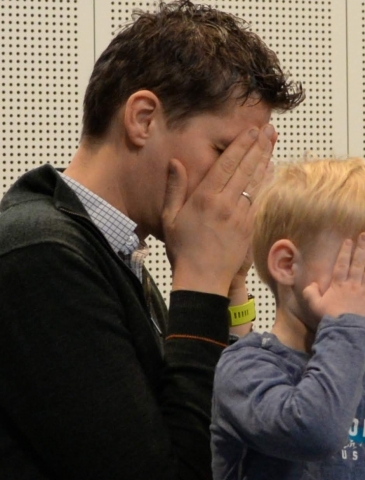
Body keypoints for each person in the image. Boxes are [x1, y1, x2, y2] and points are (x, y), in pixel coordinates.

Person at [0, 1, 303, 479]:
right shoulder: (41, 256)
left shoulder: (111, 252)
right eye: (225, 151)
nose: (243, 186)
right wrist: (201, 278)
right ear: (142, 119)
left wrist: (229, 284)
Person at [210, 158, 365, 480]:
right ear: (286, 265)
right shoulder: (245, 368)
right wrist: (348, 325)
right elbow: (315, 431)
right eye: (362, 269)